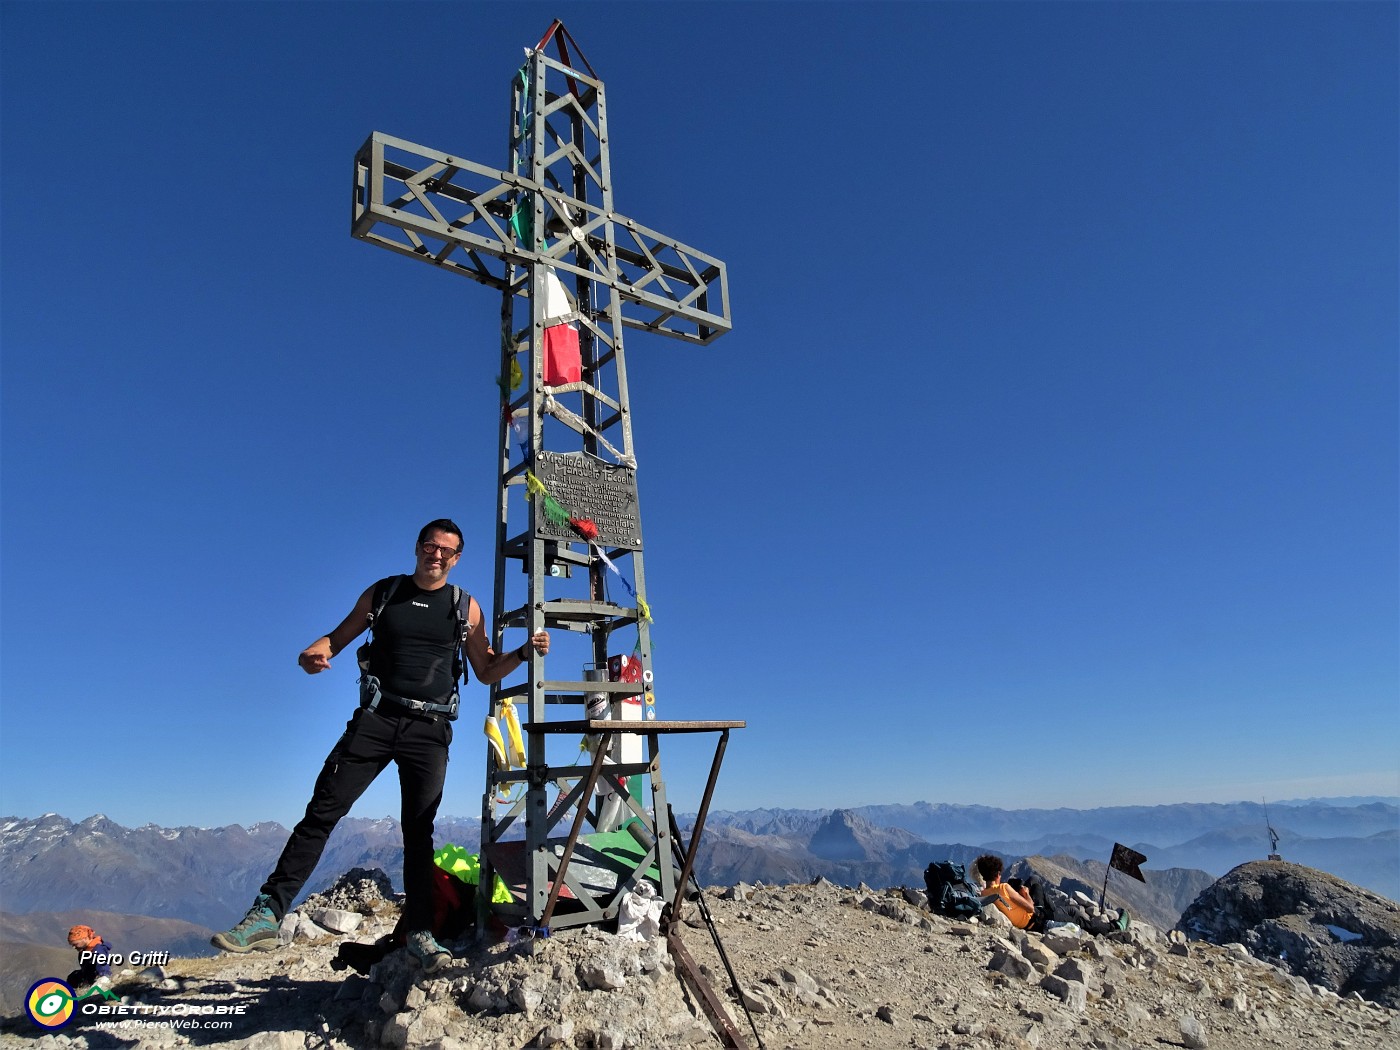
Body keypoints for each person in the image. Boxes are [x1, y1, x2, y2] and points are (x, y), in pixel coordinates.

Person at [212, 519, 548, 973]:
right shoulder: (384, 593)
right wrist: (313, 654)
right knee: (323, 812)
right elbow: (335, 638)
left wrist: (525, 653)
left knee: (419, 831)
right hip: (376, 719)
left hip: (429, 730)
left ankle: (420, 933)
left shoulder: (464, 607)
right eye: (431, 546)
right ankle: (267, 913)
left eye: (447, 551)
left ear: (457, 558)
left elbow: (486, 670)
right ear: (417, 548)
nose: (437, 555)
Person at [973, 854, 1036, 930]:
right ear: (998, 874)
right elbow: (1031, 909)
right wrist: (1027, 894)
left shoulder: (982, 894)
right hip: (1029, 921)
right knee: (1035, 883)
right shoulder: (1004, 887)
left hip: (1016, 924)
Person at [66, 925, 114, 990]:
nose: (74, 947)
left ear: (85, 938)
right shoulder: (85, 951)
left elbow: (103, 969)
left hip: (95, 980)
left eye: (75, 944)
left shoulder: (98, 951)